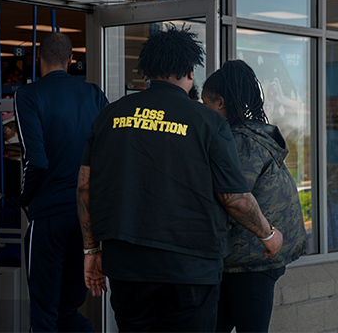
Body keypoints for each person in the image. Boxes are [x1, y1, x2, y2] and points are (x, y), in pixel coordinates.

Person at [76, 25, 283, 333]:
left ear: (149, 69)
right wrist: (268, 235)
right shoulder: (209, 123)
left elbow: (85, 187)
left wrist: (91, 251)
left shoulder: (109, 116)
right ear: (189, 70)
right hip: (190, 270)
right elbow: (234, 200)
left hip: (127, 266)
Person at [201, 60, 308, 333]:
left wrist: (268, 235)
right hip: (247, 259)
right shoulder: (255, 132)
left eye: (207, 105)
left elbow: (234, 197)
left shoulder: (238, 142)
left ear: (221, 103)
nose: (204, 112)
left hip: (251, 260)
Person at [14, 32, 108, 332]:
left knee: (44, 311)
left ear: (38, 58)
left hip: (50, 213)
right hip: (87, 218)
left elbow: (36, 160)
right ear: (71, 60)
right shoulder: (94, 94)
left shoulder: (28, 95)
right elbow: (109, 151)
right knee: (68, 308)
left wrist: (25, 198)